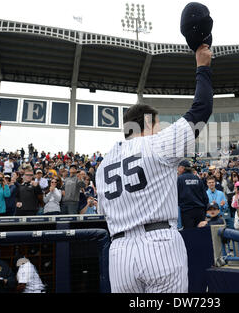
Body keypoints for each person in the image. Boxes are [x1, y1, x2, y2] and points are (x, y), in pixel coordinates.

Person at [96, 43, 212, 293]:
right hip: (159, 244)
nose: (159, 129)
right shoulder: (157, 144)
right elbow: (201, 109)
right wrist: (202, 67)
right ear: (146, 124)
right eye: (157, 124)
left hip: (119, 254)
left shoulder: (102, 164)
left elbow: (104, 212)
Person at [177, 160, 209, 229]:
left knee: (190, 236)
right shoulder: (197, 178)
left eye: (178, 167)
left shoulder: (179, 179)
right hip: (200, 211)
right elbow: (205, 198)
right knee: (201, 234)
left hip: (187, 212)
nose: (177, 170)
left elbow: (176, 197)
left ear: (182, 168)